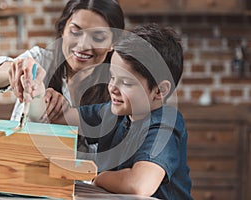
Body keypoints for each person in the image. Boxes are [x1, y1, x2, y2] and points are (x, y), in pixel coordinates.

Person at [38, 23, 192, 199]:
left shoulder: (165, 126)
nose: (112, 87)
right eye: (112, 76)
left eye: (126, 83)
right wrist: (43, 97)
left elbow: (139, 185)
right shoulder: (113, 113)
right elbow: (63, 118)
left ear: (160, 90)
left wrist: (100, 178)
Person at [0, 0, 125, 158]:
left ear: (113, 43)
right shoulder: (41, 60)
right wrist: (15, 69)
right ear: (63, 31)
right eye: (75, 32)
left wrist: (67, 115)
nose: (83, 45)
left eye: (98, 37)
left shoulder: (118, 90)